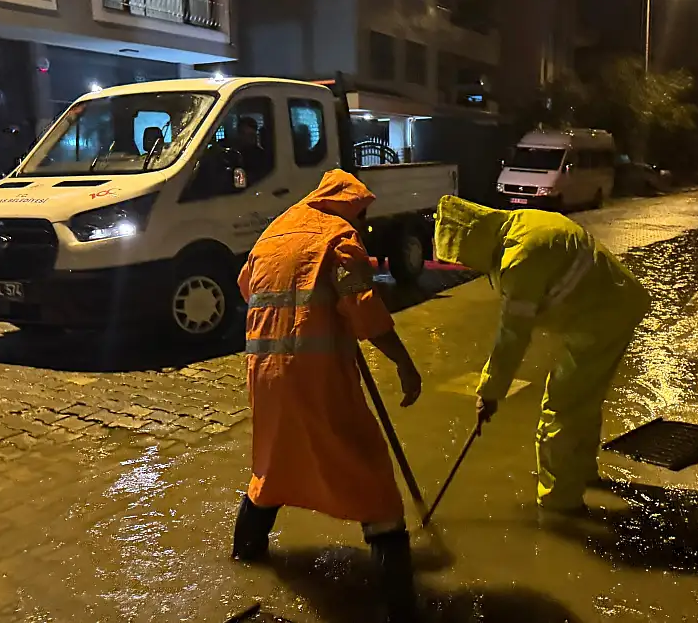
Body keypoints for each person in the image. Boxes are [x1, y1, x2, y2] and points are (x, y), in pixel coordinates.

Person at [231, 169, 424, 623]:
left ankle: (244, 561)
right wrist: (404, 362)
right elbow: (363, 308)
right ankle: (401, 607)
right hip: (315, 375)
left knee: (273, 465)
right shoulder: (338, 237)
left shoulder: (276, 229)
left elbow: (248, 286)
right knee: (369, 474)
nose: (363, 224)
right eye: (362, 214)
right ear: (350, 206)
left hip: (265, 374)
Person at [432, 196, 650, 520]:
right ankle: (582, 473)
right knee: (582, 399)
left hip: (601, 320)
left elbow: (513, 336)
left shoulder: (520, 259)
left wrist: (490, 393)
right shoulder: (524, 223)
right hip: (613, 306)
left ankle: (560, 503)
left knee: (560, 407)